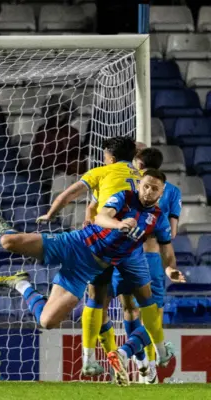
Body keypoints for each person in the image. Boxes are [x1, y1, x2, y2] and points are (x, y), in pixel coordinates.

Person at [0, 169, 181, 384]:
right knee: (8, 243)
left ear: (161, 193)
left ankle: (21, 284)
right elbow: (102, 215)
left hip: (86, 268)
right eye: (145, 186)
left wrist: (170, 268)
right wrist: (119, 224)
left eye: (154, 189)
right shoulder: (125, 197)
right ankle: (5, 228)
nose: (148, 191)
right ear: (138, 185)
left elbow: (166, 249)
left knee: (47, 321)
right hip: (75, 243)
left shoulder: (158, 220)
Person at [34, 136, 141, 377]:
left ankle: (90, 358)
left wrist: (49, 214)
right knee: (131, 305)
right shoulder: (141, 177)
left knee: (96, 298)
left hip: (103, 243)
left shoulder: (101, 172)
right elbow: (95, 206)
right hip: (132, 247)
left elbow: (66, 195)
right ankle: (139, 364)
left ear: (110, 157)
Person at [87, 147, 183, 384]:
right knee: (153, 315)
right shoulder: (170, 191)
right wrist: (169, 266)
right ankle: (130, 356)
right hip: (148, 257)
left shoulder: (125, 186)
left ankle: (141, 366)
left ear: (138, 164)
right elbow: (170, 233)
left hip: (120, 255)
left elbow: (93, 213)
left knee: (127, 309)